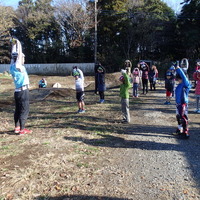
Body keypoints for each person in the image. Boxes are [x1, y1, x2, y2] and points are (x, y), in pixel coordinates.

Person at [10, 52, 32, 135]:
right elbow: (18, 56)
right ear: (19, 58)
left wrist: (13, 45)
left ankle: (17, 127)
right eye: (23, 58)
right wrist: (17, 43)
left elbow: (13, 59)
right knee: (24, 110)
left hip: (17, 92)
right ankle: (22, 130)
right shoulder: (19, 67)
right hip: (23, 91)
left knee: (18, 110)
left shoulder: (12, 67)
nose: (24, 59)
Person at [173, 66, 191, 138]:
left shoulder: (185, 84)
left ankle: (185, 131)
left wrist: (179, 69)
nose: (178, 80)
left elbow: (184, 77)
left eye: (179, 79)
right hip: (178, 104)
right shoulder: (179, 85)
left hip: (183, 103)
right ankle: (179, 129)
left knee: (183, 117)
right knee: (178, 116)